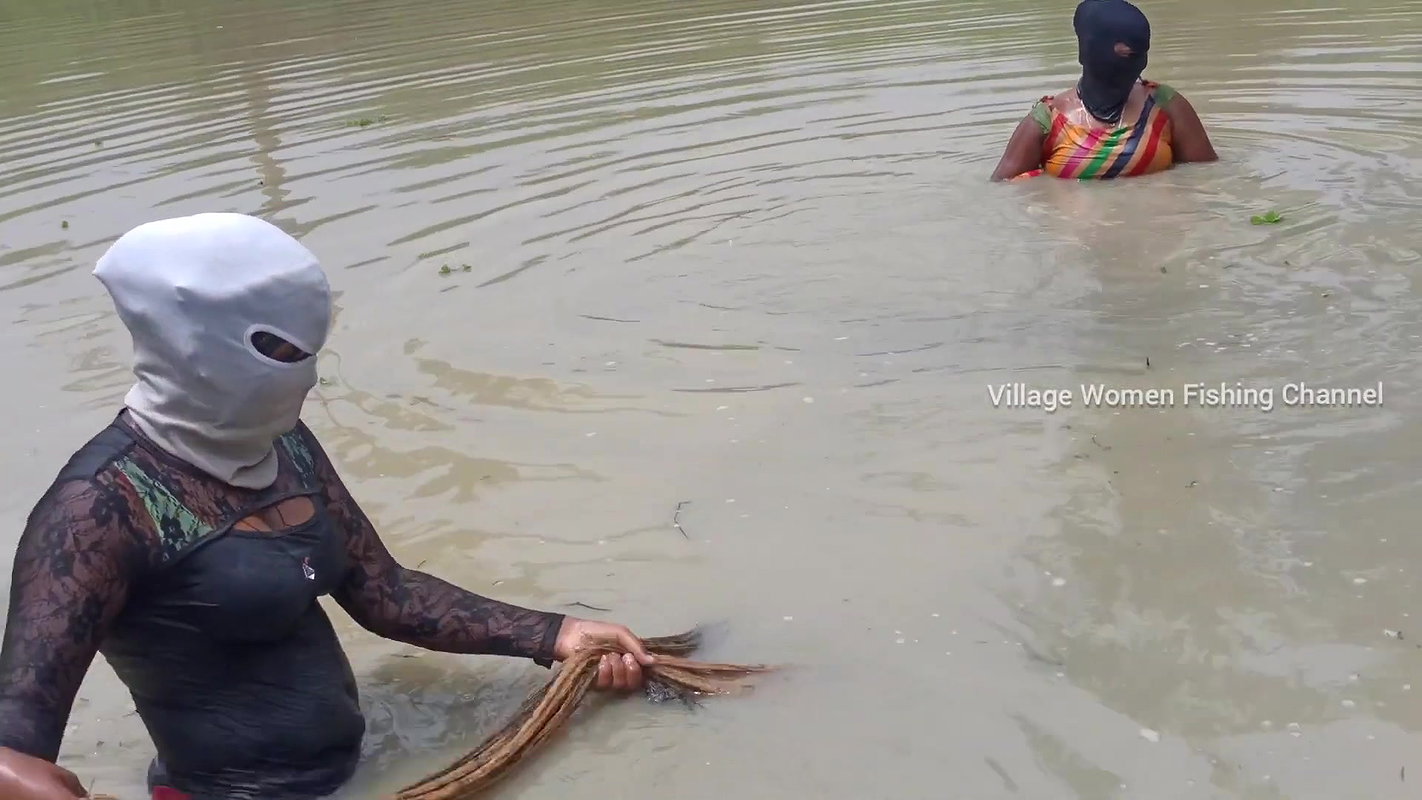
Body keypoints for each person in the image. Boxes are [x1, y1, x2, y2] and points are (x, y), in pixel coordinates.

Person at [0, 212, 656, 800]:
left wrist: (554, 635)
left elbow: (386, 593)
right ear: (191, 345)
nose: (304, 374)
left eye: (307, 351)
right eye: (280, 354)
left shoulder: (283, 443)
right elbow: (15, 736)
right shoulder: (100, 508)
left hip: (362, 768)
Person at [989, 0, 1218, 182]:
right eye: (1124, 55)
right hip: (1078, 239)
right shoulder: (1049, 120)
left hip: (1154, 237)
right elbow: (1003, 191)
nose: (1135, 65)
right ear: (1087, 51)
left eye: (1140, 55)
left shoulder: (1165, 106)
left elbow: (1208, 178)